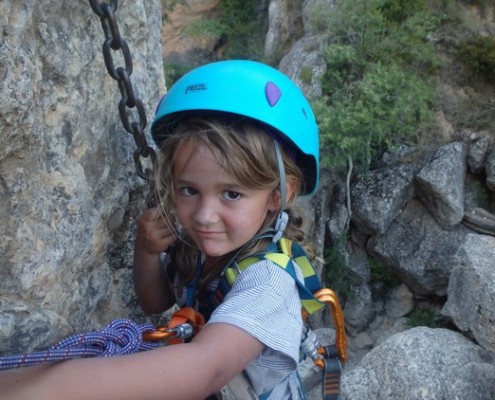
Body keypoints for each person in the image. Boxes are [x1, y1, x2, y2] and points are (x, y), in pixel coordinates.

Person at [0, 60, 319, 400]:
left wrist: (43, 390)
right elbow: (156, 301)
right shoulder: (203, 247)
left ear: (278, 196)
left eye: (232, 194)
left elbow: (203, 369)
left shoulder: (269, 284)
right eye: (189, 190)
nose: (204, 216)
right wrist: (148, 252)